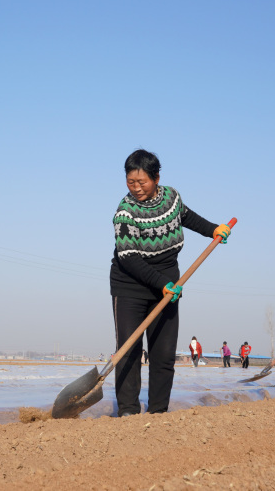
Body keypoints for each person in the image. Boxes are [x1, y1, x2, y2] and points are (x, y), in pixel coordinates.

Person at [110, 149, 232, 417]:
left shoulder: (172, 197)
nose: (137, 188)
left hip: (168, 283)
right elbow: (128, 258)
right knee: (129, 350)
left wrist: (213, 229)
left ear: (156, 178)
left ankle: (158, 411)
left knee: (163, 353)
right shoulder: (125, 212)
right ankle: (129, 412)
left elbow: (186, 217)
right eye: (131, 182)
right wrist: (160, 283)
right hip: (130, 285)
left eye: (142, 182)